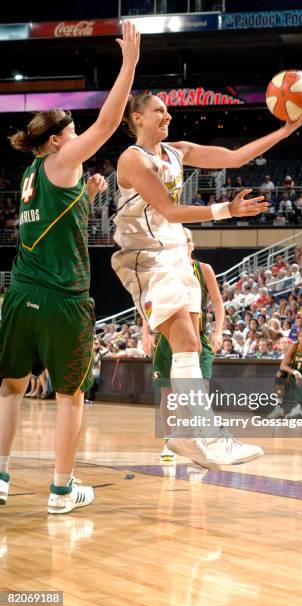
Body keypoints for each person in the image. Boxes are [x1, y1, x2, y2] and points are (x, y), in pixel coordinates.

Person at [111, 90, 302, 468]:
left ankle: (184, 435)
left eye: (168, 110)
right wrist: (227, 209)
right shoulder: (131, 159)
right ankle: (206, 435)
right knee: (185, 342)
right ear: (137, 118)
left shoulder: (177, 151)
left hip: (174, 253)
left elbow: (236, 157)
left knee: (189, 343)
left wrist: (285, 130)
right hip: (145, 256)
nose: (167, 115)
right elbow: (169, 209)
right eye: (158, 110)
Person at [0, 22, 141, 512]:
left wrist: (87, 195)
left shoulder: (32, 173)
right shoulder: (64, 160)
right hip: (61, 297)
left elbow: (55, 219)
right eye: (72, 133)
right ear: (58, 141)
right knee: (69, 396)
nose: (80, 138)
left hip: (20, 292)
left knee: (10, 388)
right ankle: (61, 489)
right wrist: (129, 65)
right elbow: (106, 124)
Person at [143, 228, 226, 462]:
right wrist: (146, 331)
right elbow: (148, 300)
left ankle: (197, 439)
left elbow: (218, 304)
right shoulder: (161, 269)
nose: (184, 244)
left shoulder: (203, 269)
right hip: (167, 337)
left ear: (192, 244)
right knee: (168, 393)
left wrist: (218, 331)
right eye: (180, 240)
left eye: (187, 240)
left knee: (201, 390)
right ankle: (170, 442)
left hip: (197, 336)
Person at [279, 331, 302, 418]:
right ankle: (280, 405)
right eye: (301, 336)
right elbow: (283, 365)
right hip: (296, 377)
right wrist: (295, 372)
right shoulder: (294, 347)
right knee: (280, 374)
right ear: (298, 338)